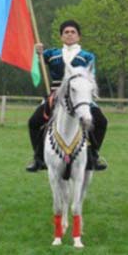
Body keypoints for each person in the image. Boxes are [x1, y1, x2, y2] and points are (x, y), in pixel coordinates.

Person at [25, 19, 108, 173]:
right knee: (33, 122)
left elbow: (91, 76)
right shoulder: (51, 54)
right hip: (56, 96)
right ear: (61, 36)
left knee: (101, 121)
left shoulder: (87, 56)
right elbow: (34, 64)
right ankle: (38, 157)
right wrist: (36, 53)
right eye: (66, 32)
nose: (69, 35)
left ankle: (94, 156)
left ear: (78, 36)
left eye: (73, 32)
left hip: (79, 97)